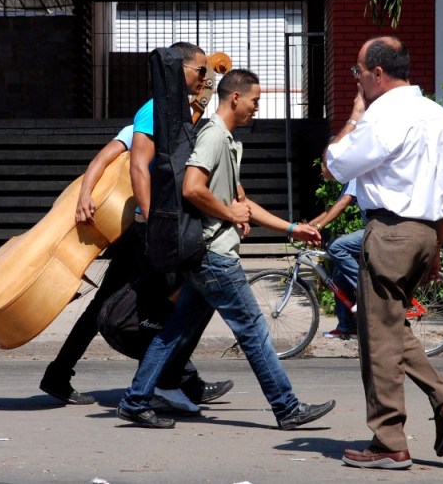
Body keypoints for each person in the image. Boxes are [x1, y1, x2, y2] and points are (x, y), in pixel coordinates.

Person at [117, 68, 336, 430]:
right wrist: (227, 214)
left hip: (206, 255)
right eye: (255, 101)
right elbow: (192, 187)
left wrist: (293, 228)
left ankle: (135, 400)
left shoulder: (229, 140)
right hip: (214, 255)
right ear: (235, 98)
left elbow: (243, 205)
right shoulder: (214, 137)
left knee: (174, 331)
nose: (257, 108)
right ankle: (287, 407)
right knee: (253, 330)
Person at [40, 46, 233, 410]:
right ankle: (180, 381)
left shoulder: (177, 113)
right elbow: (128, 164)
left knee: (115, 302)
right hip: (148, 228)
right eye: (200, 68)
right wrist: (145, 215)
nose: (206, 76)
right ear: (179, 70)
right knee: (174, 301)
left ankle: (59, 373)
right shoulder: (152, 112)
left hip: (148, 227)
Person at [322, 36, 443, 469]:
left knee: (379, 341)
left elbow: (333, 165)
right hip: (426, 233)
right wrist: (435, 249)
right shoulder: (439, 116)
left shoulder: (383, 114)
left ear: (378, 75)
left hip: (390, 231)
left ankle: (389, 442)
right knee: (390, 328)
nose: (358, 82)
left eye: (358, 73)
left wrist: (352, 118)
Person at [309, 179, 365, 339]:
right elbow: (332, 209)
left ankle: (367, 291)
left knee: (336, 247)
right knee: (339, 273)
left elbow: (343, 204)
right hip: (372, 229)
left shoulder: (356, 175)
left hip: (378, 230)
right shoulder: (350, 180)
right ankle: (347, 327)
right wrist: (308, 226)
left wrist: (317, 228)